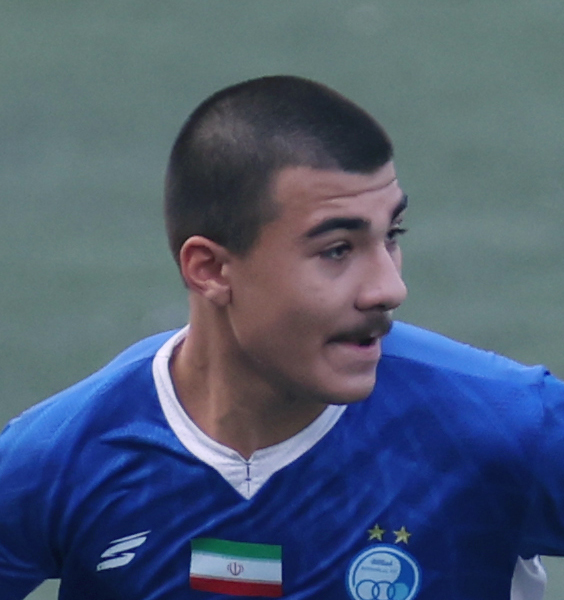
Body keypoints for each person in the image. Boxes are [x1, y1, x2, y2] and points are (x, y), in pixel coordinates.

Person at [0, 75, 561, 600]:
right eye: (336, 250)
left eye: (392, 235)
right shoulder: (63, 458)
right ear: (211, 270)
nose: (389, 288)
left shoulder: (507, 424)